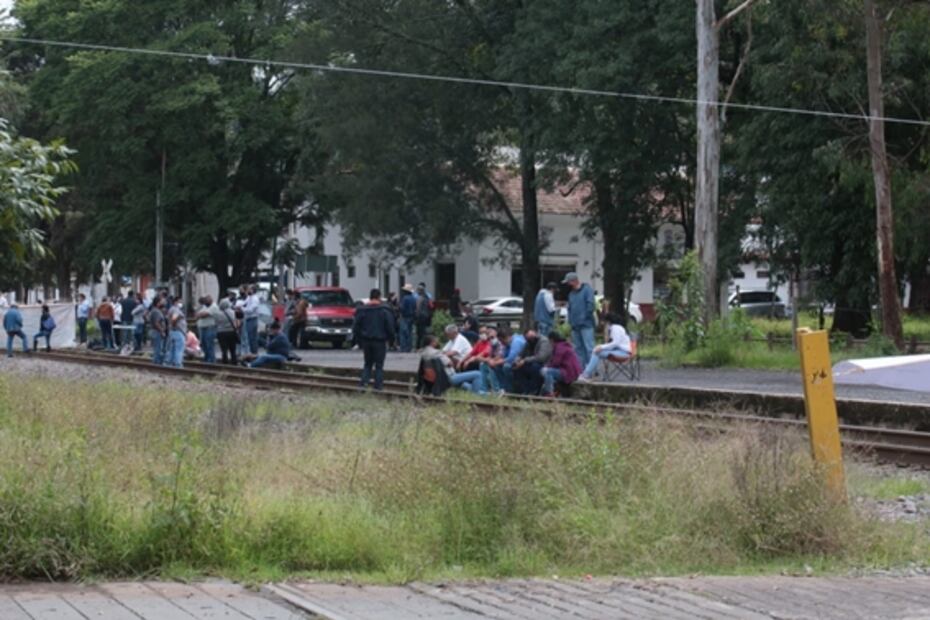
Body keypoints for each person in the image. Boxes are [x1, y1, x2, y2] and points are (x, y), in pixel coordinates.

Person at [353, 288, 396, 391]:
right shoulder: (385, 310)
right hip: (380, 341)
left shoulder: (362, 310)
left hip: (366, 340)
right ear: (379, 297)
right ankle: (378, 386)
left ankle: (363, 384)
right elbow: (390, 327)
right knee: (379, 365)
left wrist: (359, 341)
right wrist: (391, 340)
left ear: (370, 296)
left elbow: (356, 327)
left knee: (367, 364)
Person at [579, 312, 632, 382]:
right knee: (597, 351)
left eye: (605, 322)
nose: (603, 323)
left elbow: (615, 343)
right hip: (621, 351)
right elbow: (612, 343)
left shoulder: (615, 328)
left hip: (624, 353)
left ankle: (586, 374)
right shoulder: (618, 327)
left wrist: (601, 347)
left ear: (608, 321)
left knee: (596, 352)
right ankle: (587, 373)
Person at [564, 272, 596, 367]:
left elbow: (590, 305)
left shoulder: (587, 290)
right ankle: (581, 370)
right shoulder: (571, 294)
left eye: (568, 282)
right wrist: (570, 321)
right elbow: (569, 308)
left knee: (589, 348)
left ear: (574, 281)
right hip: (575, 326)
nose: (567, 284)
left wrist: (583, 318)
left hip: (586, 324)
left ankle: (591, 370)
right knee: (578, 349)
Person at [479, 327, 525, 394]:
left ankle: (510, 390)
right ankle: (502, 388)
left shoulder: (516, 341)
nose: (501, 343)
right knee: (496, 366)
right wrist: (494, 362)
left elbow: (510, 358)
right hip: (514, 362)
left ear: (506, 337)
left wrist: (495, 362)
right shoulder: (507, 344)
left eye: (501, 340)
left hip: (522, 362)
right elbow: (504, 355)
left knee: (506, 367)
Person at [541, 331, 582, 397]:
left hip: (568, 372)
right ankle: (556, 390)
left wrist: (546, 367)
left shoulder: (560, 348)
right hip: (570, 371)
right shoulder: (563, 345)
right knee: (548, 371)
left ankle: (549, 392)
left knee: (547, 372)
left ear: (552, 340)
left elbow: (555, 363)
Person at [513, 329, 552, 395]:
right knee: (517, 368)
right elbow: (522, 353)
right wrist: (517, 359)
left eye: (531, 337)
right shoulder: (528, 342)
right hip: (531, 362)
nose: (530, 339)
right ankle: (524, 390)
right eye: (528, 338)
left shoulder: (544, 341)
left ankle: (534, 390)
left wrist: (525, 360)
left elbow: (541, 357)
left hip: (543, 364)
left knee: (535, 368)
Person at [215, 298, 240, 365]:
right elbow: (235, 321)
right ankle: (234, 362)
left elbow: (216, 323)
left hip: (221, 332)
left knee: (224, 349)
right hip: (231, 331)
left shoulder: (218, 314)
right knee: (233, 349)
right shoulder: (232, 312)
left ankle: (225, 363)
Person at [195, 295, 218, 363]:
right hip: (203, 328)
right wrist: (200, 314)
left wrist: (200, 315)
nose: (205, 301)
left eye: (206, 300)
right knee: (203, 344)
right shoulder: (205, 306)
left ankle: (211, 360)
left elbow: (204, 315)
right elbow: (197, 314)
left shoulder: (214, 306)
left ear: (210, 300)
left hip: (210, 328)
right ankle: (207, 358)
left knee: (209, 344)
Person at [166, 298, 187, 368]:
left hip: (173, 331)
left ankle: (170, 363)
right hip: (178, 331)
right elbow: (174, 319)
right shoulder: (176, 309)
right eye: (180, 302)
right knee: (179, 348)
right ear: (176, 302)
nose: (181, 303)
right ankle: (178, 364)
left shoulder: (171, 309)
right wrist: (174, 326)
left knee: (173, 348)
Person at [148, 297, 168, 365]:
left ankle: (157, 363)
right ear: (158, 303)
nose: (163, 302)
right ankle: (157, 363)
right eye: (161, 301)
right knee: (158, 349)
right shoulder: (156, 311)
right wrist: (162, 331)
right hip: (157, 332)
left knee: (158, 348)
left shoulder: (155, 310)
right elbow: (156, 323)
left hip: (155, 332)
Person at [243, 285, 261, 355]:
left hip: (252, 319)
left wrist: (242, 309)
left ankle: (254, 353)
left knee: (252, 337)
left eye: (249, 289)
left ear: (253, 290)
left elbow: (250, 310)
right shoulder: (249, 297)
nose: (247, 291)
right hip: (248, 319)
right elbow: (244, 304)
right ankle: (252, 352)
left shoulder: (255, 299)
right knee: (250, 337)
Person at [399, 283, 417, 352]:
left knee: (403, 333)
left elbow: (402, 308)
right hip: (411, 317)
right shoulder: (413, 298)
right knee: (409, 333)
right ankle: (409, 347)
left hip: (405, 317)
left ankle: (404, 348)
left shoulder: (405, 298)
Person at [414, 284, 432, 349]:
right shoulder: (427, 297)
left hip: (420, 318)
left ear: (420, 291)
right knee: (424, 333)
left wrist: (416, 317)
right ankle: (424, 346)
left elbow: (418, 309)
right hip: (426, 317)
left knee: (419, 333)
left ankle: (418, 347)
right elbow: (431, 306)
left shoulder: (420, 298)